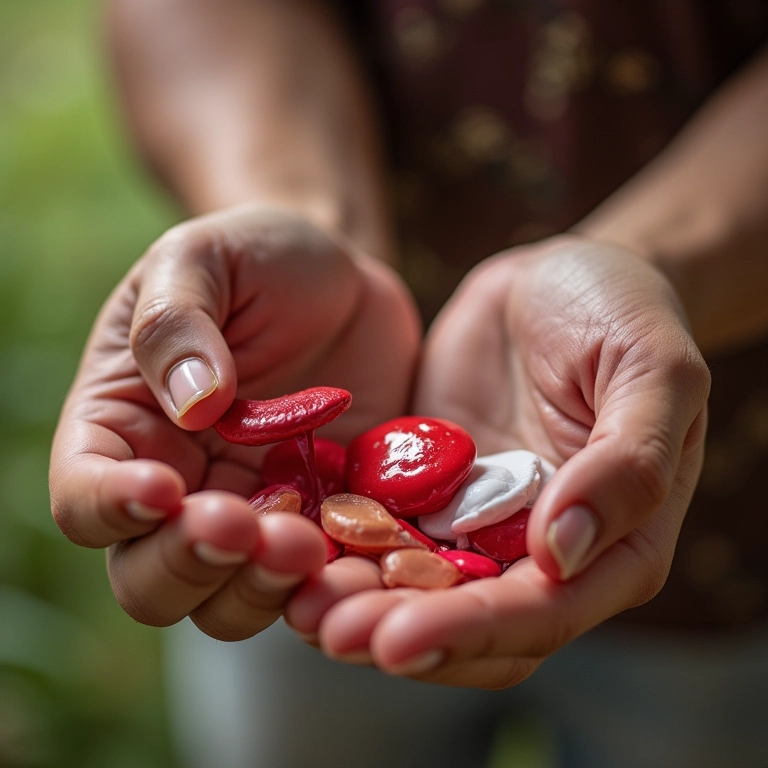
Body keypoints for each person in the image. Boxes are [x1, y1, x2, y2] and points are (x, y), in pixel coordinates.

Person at [49, 0, 768, 766]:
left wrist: (659, 267)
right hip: (293, 566)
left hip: (726, 520)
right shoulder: (304, 510)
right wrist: (296, 210)